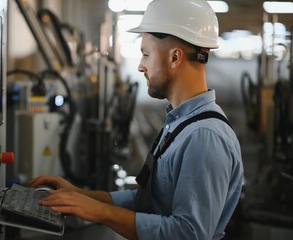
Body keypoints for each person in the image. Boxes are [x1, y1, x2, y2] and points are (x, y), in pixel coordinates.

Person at [29, 0, 244, 239]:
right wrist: (83, 196)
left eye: (145, 54)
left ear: (175, 58)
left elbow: (187, 233)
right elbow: (150, 198)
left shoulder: (204, 137)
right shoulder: (182, 123)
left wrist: (101, 212)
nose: (141, 65)